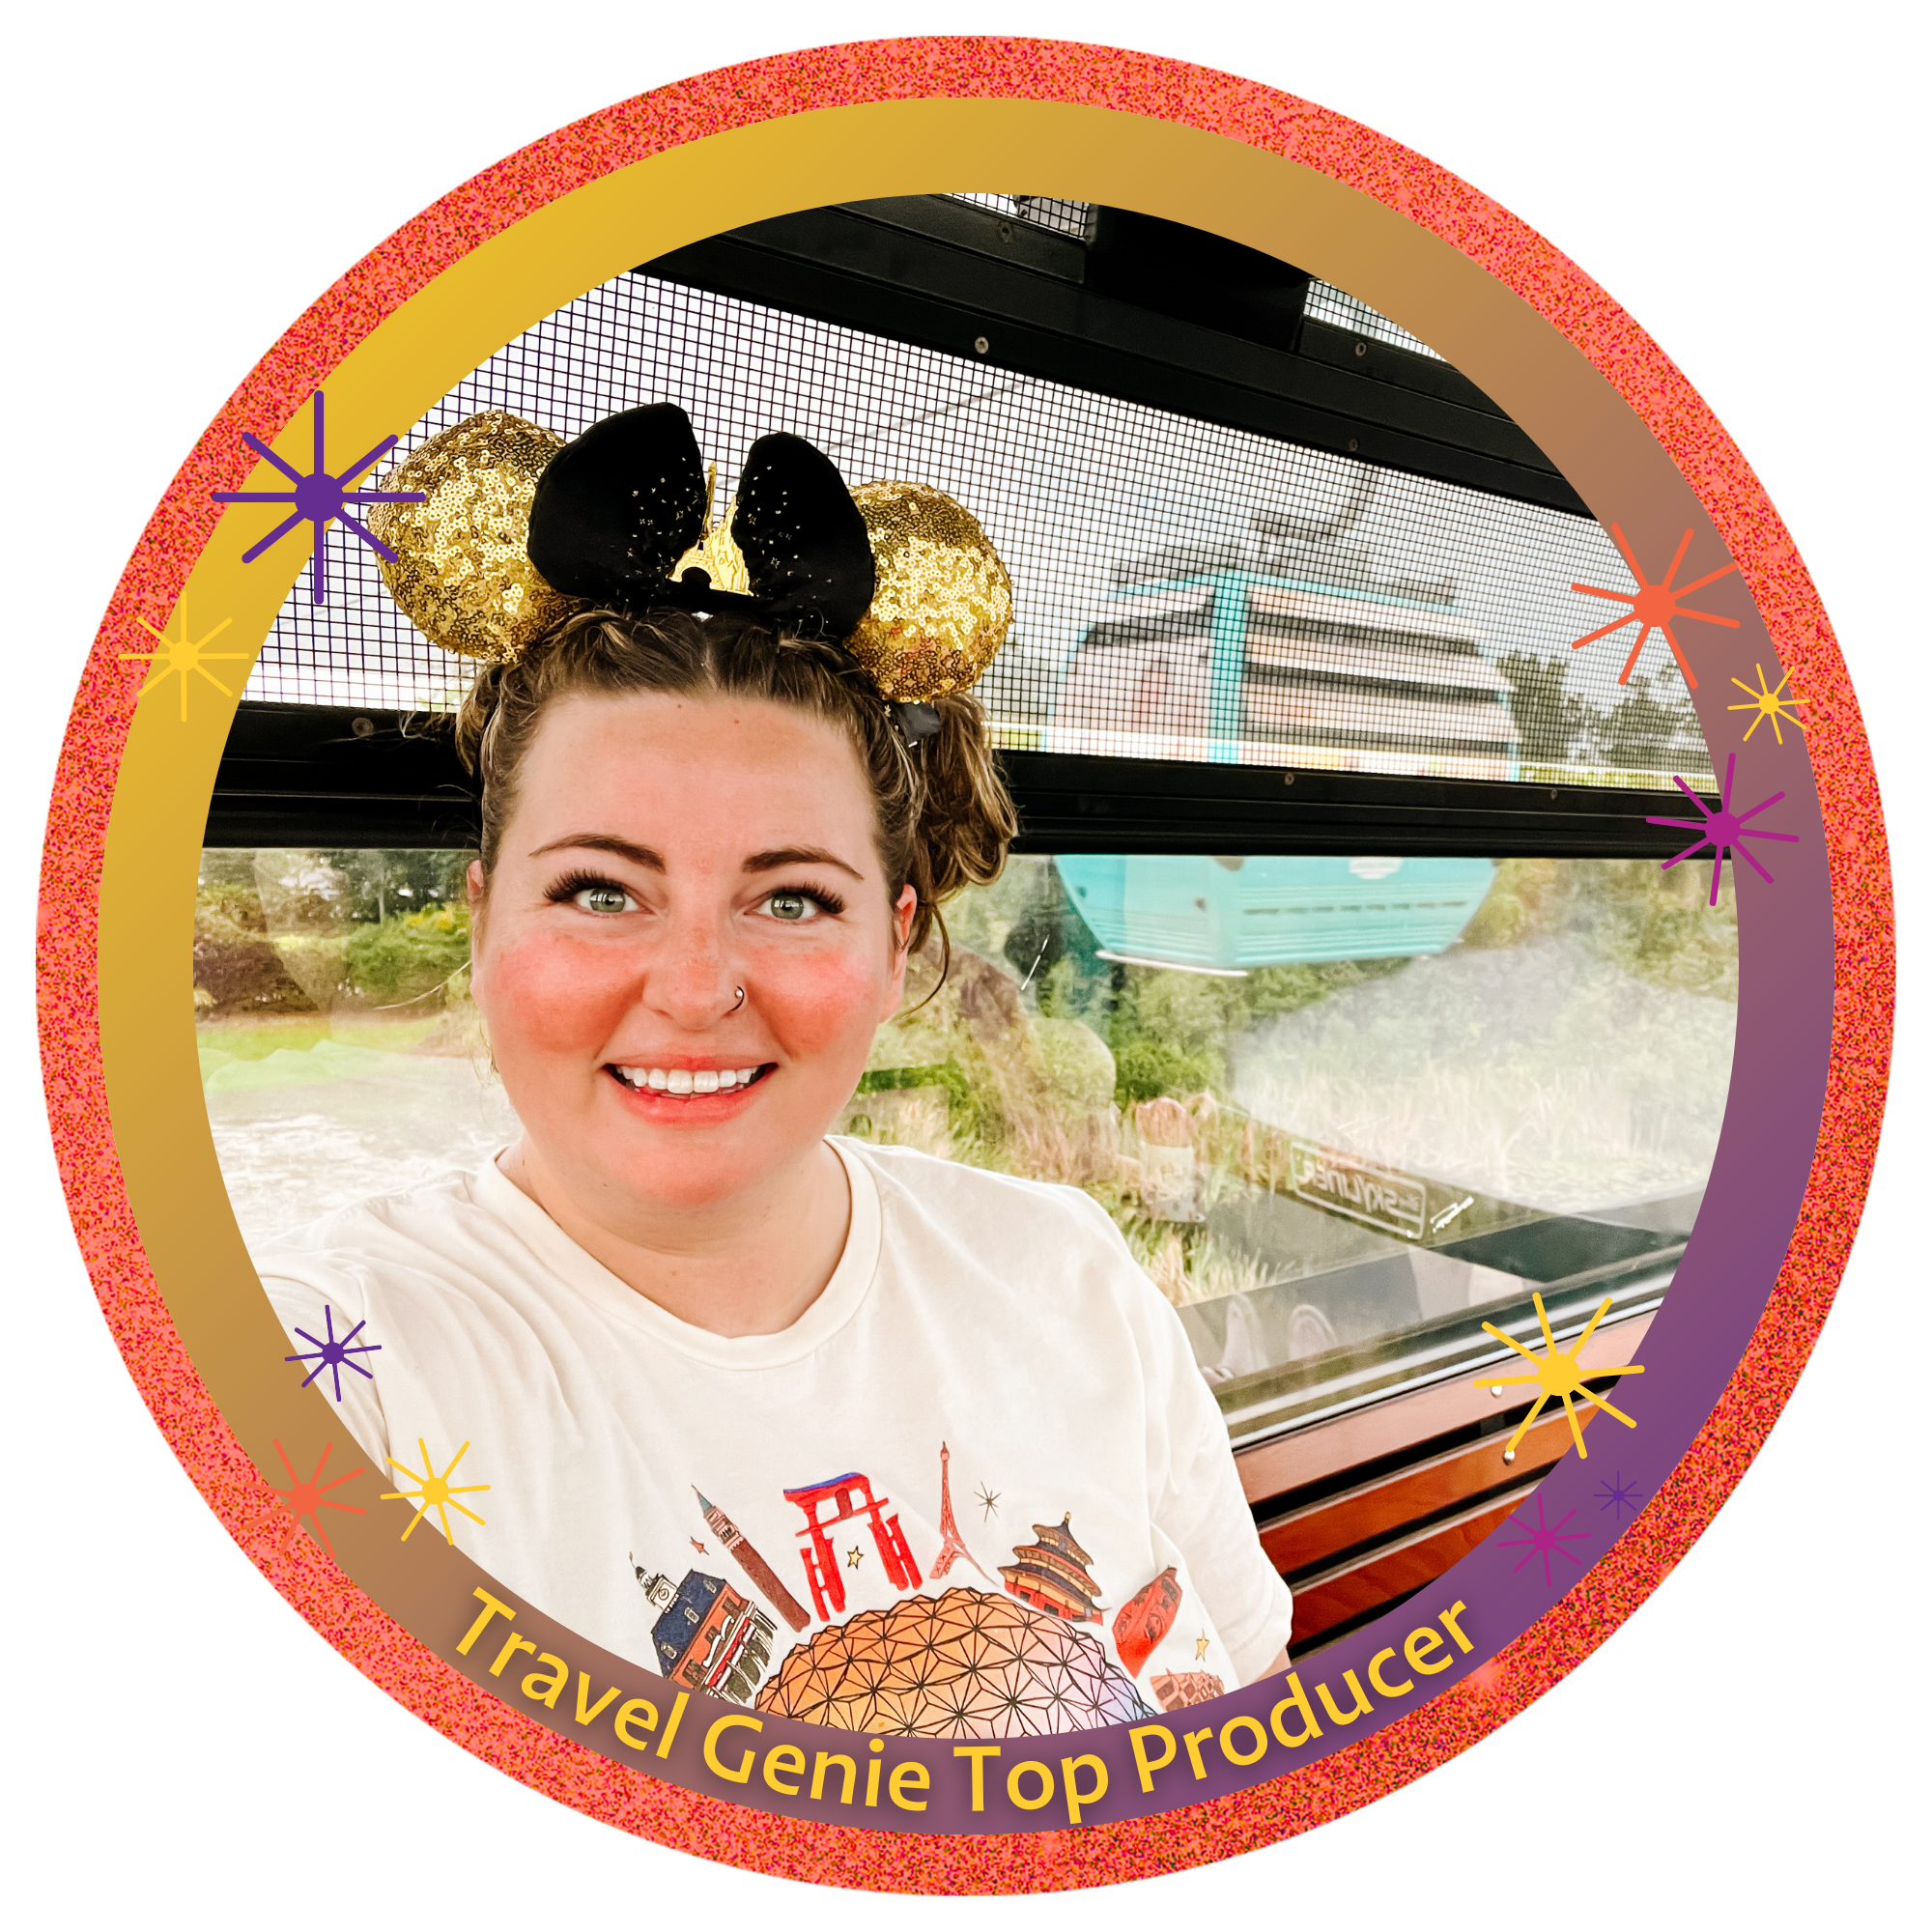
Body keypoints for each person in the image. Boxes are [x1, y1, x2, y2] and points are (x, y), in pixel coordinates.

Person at [257, 403, 1293, 1738]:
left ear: (896, 941)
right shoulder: (331, 1381)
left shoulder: (1071, 1276)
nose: (696, 989)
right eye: (598, 890)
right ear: (482, 918)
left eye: (792, 900)